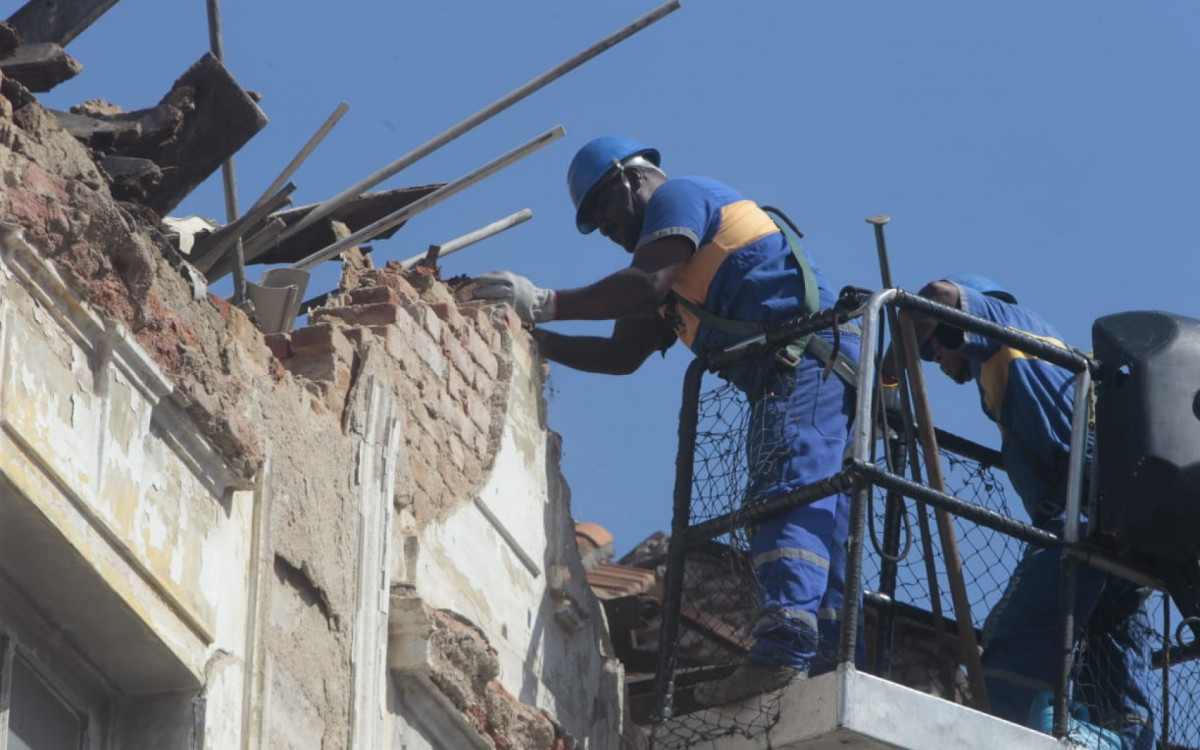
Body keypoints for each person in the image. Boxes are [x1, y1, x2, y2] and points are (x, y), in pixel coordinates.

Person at [471, 136, 862, 705]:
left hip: (809, 362)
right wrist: (532, 338)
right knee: (820, 514)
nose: (605, 228)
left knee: (786, 494)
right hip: (809, 373)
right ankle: (830, 665)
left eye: (603, 208)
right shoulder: (670, 275)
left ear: (631, 178)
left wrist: (543, 302)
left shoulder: (679, 198)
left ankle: (783, 650)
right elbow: (621, 355)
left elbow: (642, 286)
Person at [891, 273, 1155, 749]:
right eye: (925, 355)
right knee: (1110, 671)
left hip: (1081, 512)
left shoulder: (1003, 324)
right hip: (1121, 522)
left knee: (1015, 646)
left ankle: (999, 736)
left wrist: (889, 367)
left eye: (934, 349)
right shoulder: (1021, 363)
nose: (935, 360)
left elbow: (939, 295)